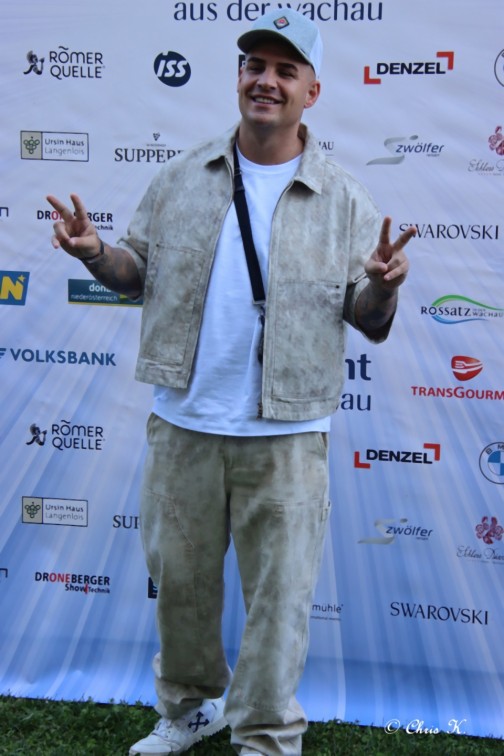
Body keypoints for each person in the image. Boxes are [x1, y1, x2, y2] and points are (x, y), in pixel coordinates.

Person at [47, 9, 416, 755]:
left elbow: (367, 317)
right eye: (255, 66)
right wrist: (94, 253)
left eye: (285, 70)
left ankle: (268, 735)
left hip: (287, 435)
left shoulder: (344, 198)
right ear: (239, 77)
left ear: (312, 91)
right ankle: (189, 710)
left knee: (279, 602)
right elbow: (135, 273)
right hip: (183, 424)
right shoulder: (183, 176)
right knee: (180, 586)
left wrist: (382, 285)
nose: (266, 81)